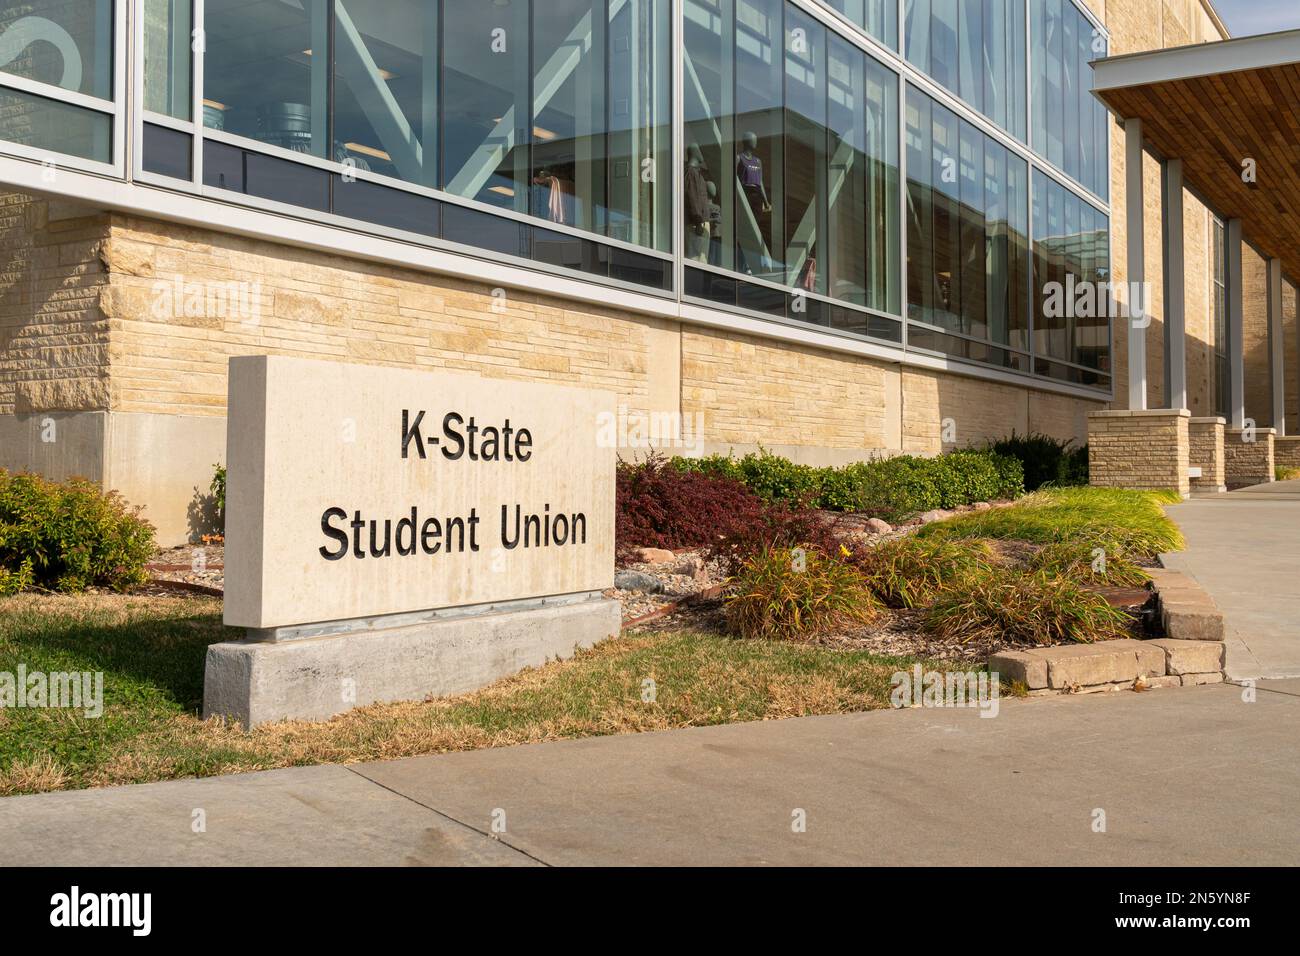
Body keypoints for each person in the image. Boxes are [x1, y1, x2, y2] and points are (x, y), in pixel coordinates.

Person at [684, 144, 711, 263]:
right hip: (697, 223)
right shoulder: (691, 172)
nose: (702, 154)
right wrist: (698, 221)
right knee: (697, 259)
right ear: (695, 152)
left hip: (699, 222)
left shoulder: (694, 172)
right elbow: (692, 196)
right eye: (700, 150)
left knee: (701, 258)